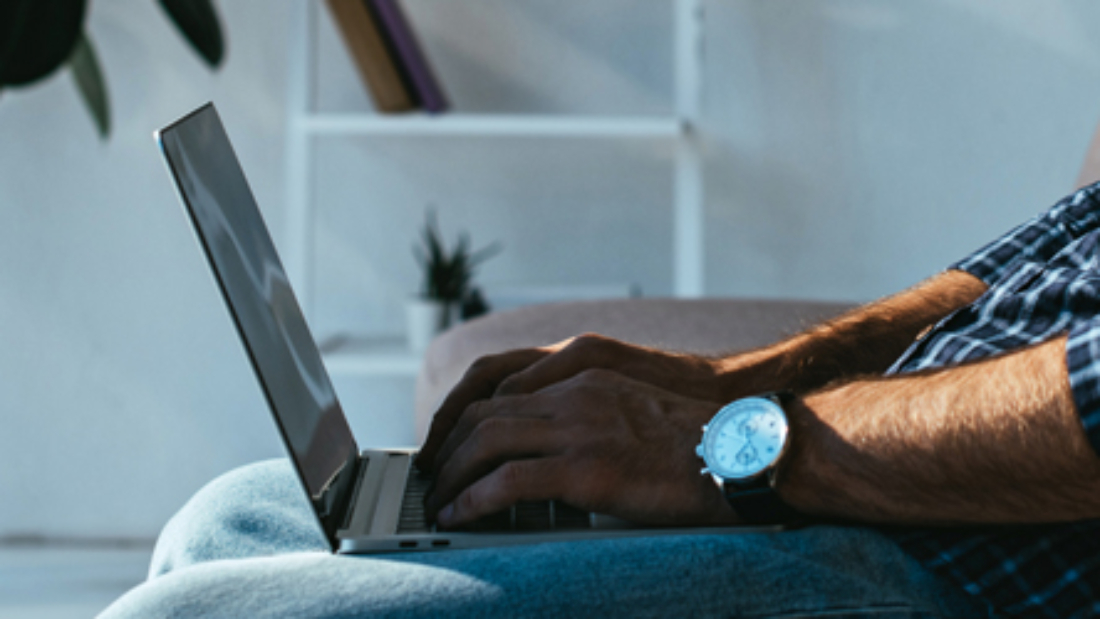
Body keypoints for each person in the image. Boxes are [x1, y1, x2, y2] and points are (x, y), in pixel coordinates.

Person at [102, 183, 1100, 619]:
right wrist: (731, 385)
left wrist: (721, 455)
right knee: (236, 516)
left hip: (948, 569)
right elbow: (1022, 260)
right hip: (828, 494)